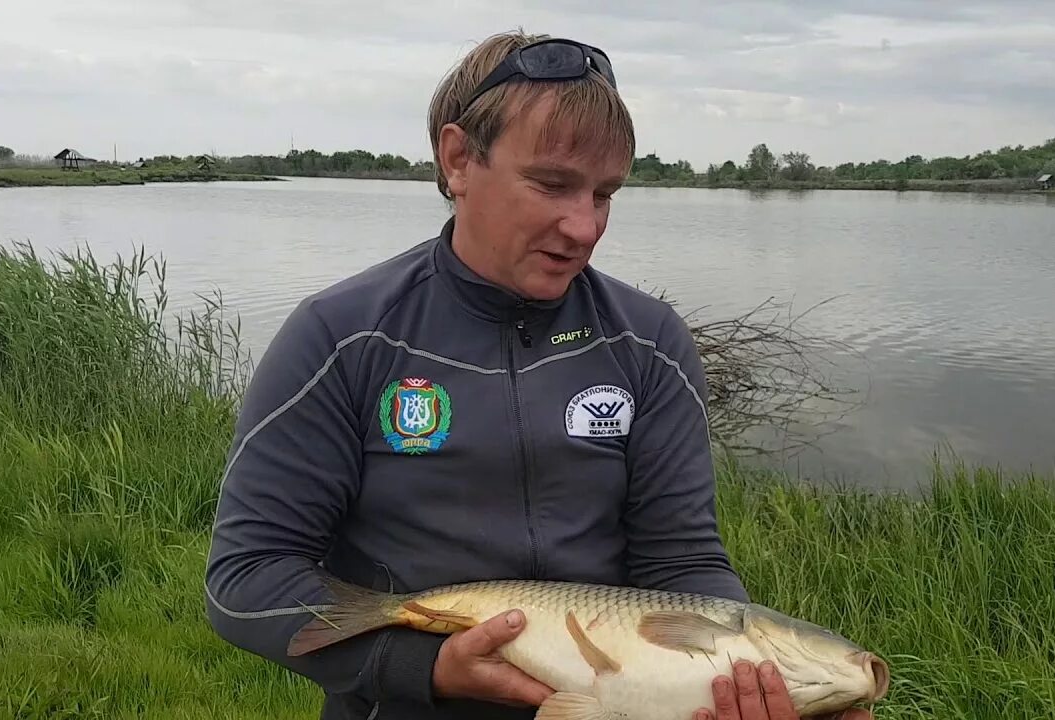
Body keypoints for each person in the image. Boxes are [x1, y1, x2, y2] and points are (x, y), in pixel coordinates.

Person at [204, 29, 873, 720]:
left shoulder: (650, 343)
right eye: (552, 185)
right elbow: (246, 577)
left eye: (605, 194)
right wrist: (421, 667)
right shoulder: (342, 338)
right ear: (459, 159)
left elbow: (682, 563)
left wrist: (736, 681)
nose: (584, 227)